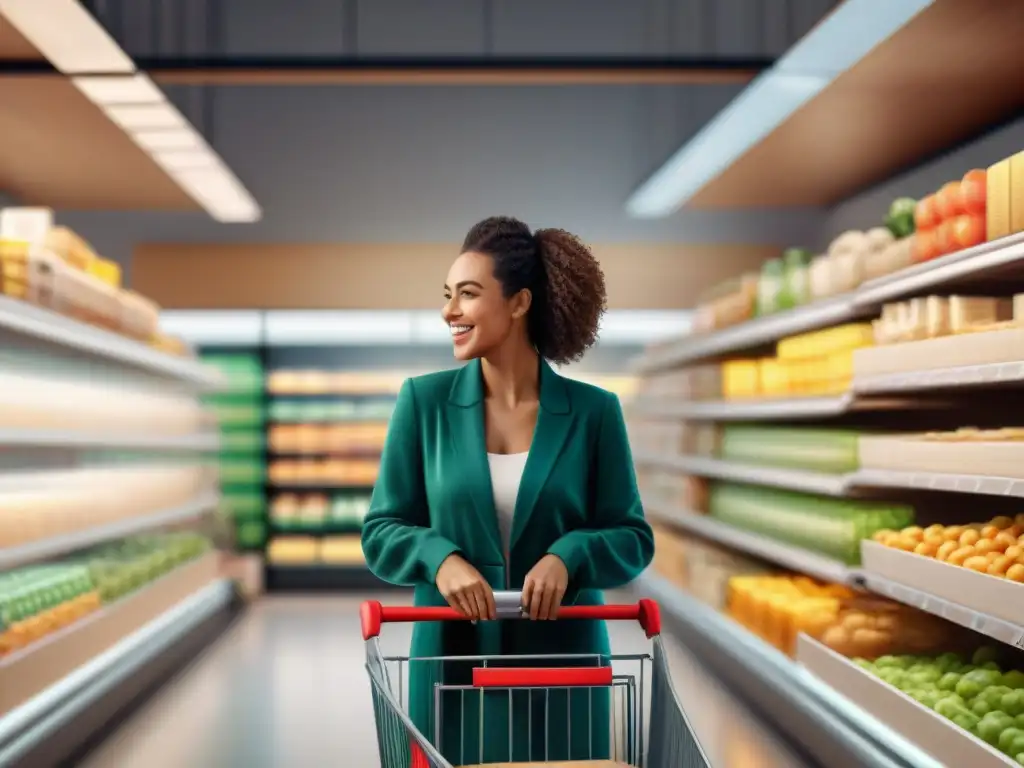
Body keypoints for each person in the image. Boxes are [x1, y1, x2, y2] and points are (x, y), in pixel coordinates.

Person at [361, 216, 654, 765]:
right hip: (453, 660)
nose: (449, 311)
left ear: (518, 304)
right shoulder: (423, 404)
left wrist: (569, 556)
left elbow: (632, 537)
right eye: (447, 295)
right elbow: (381, 531)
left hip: (564, 665)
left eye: (468, 295)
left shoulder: (594, 413)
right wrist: (440, 559)